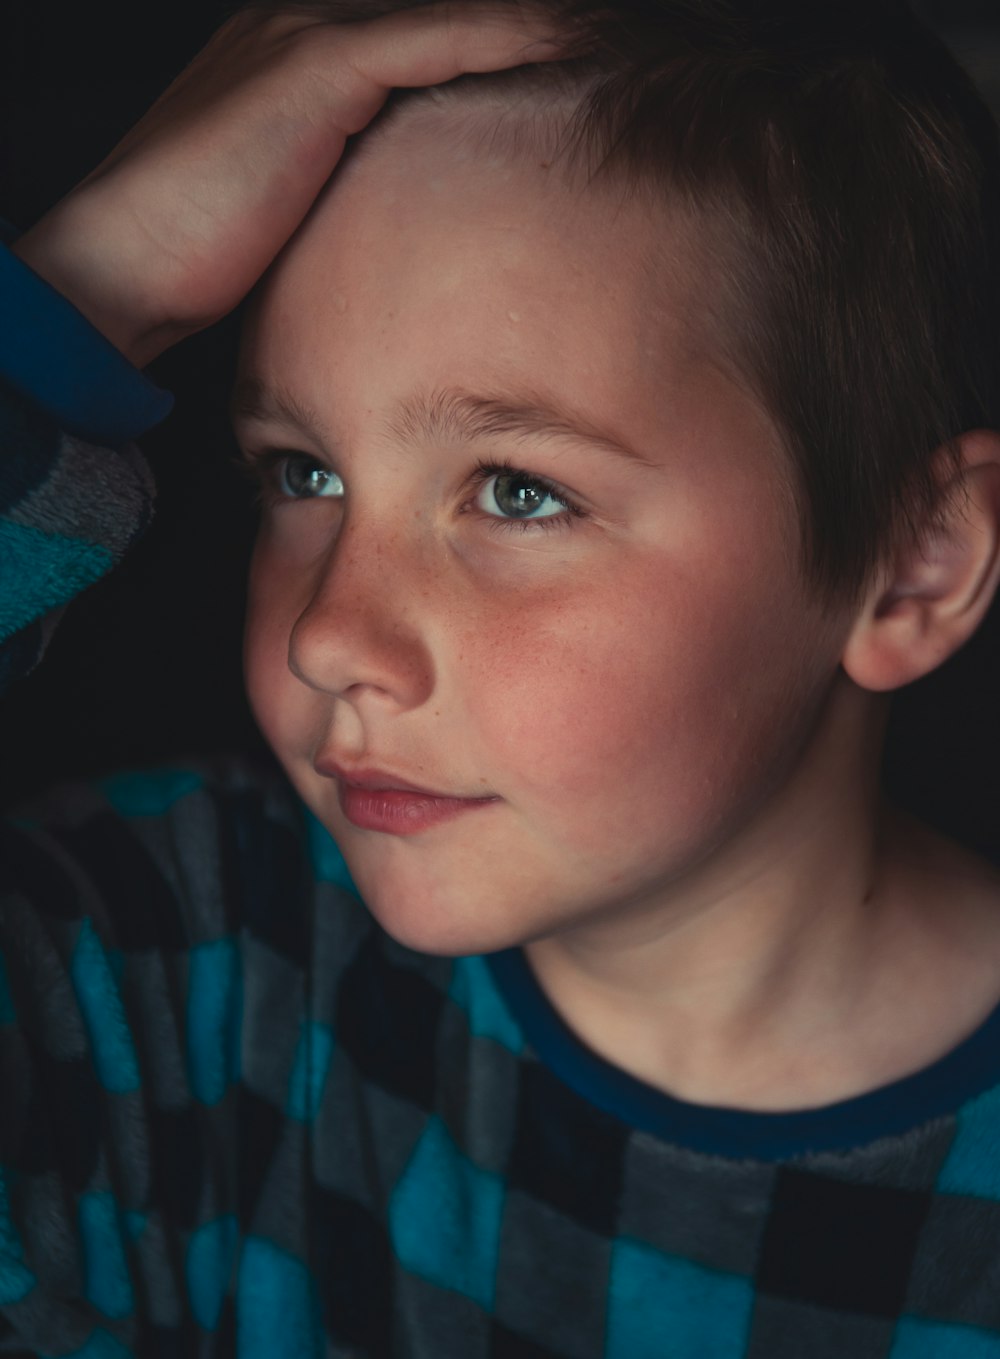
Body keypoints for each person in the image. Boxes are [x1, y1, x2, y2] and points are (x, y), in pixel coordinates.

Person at [3, 0, 1000, 1353]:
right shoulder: (167, 963)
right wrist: (86, 295)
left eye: (519, 491)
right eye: (304, 474)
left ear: (913, 568)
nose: (329, 637)